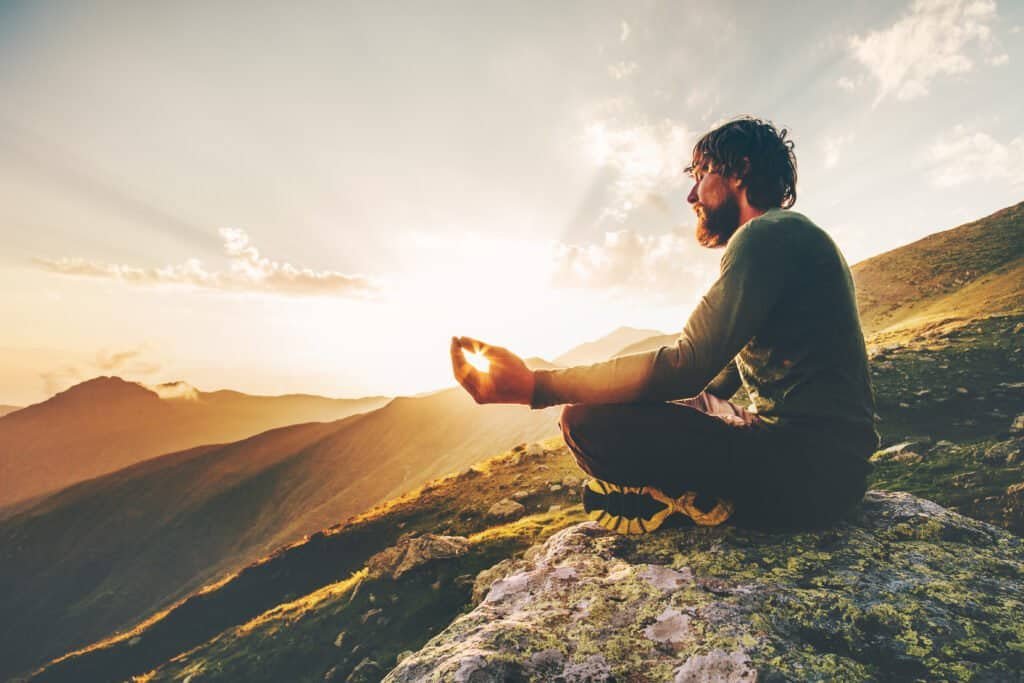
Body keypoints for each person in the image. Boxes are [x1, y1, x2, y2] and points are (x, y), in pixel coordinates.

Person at [450, 116, 879, 534]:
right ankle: (692, 496)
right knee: (639, 410)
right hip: (830, 474)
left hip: (809, 474)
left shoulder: (765, 235)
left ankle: (685, 496)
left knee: (585, 421)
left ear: (740, 170)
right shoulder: (790, 236)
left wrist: (536, 387)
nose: (692, 195)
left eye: (702, 173)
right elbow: (714, 381)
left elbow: (687, 365)